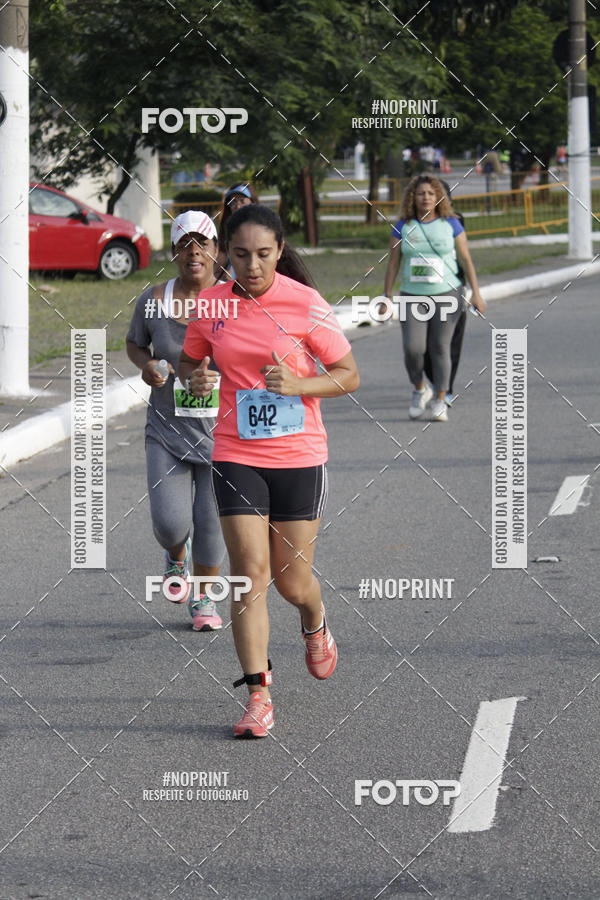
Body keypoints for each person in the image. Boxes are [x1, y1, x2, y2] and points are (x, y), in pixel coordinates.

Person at [178, 204, 360, 738]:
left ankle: (315, 621)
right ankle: (258, 693)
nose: (251, 265)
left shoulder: (306, 304)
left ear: (280, 250)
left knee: (291, 581)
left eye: (262, 254)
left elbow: (349, 375)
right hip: (237, 451)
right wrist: (197, 379)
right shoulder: (211, 305)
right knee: (249, 573)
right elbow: (193, 364)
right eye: (239, 255)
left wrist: (298, 386)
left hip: (299, 457)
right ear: (223, 254)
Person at [126, 211, 226, 631]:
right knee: (171, 524)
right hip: (167, 433)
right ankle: (174, 555)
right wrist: (147, 365)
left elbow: (257, 357)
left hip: (223, 437)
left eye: (203, 244)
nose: (194, 253)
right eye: (185, 245)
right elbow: (134, 343)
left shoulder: (234, 300)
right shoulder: (154, 300)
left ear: (216, 250)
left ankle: (204, 600)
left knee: (211, 525)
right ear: (174, 253)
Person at [383, 174, 485, 422]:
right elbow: (393, 263)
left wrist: (476, 293)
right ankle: (420, 388)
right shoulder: (402, 227)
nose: (426, 198)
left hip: (447, 292)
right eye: (420, 193)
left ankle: (440, 398)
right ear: (412, 197)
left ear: (438, 196)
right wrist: (386, 296)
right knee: (413, 349)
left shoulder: (451, 224)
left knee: (441, 348)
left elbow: (466, 260)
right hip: (412, 295)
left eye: (430, 193)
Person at [215, 182, 258, 279]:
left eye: (242, 201)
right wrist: (223, 277)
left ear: (252, 203)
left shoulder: (264, 232)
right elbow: (217, 272)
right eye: (233, 202)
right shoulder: (225, 236)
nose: (237, 206)